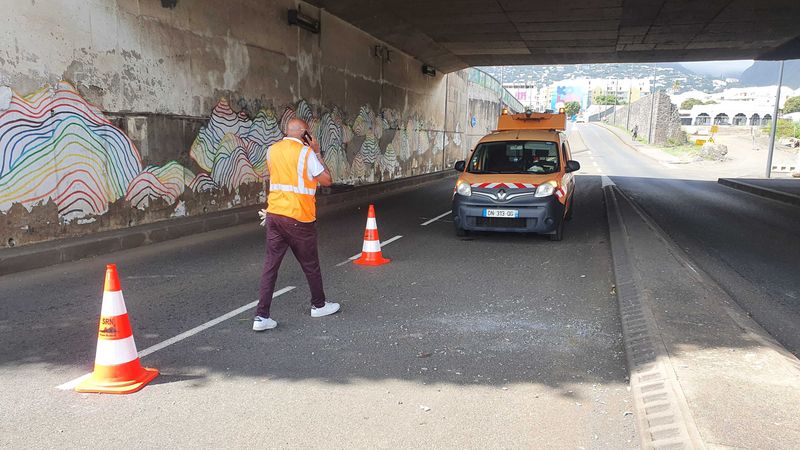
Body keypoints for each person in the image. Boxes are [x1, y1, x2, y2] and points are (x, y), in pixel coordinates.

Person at [253, 118, 339, 331]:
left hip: (274, 214)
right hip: (299, 216)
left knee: (270, 266)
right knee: (310, 265)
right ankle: (318, 305)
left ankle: (261, 316)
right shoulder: (306, 153)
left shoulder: (271, 150)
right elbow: (327, 180)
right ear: (305, 134)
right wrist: (317, 152)